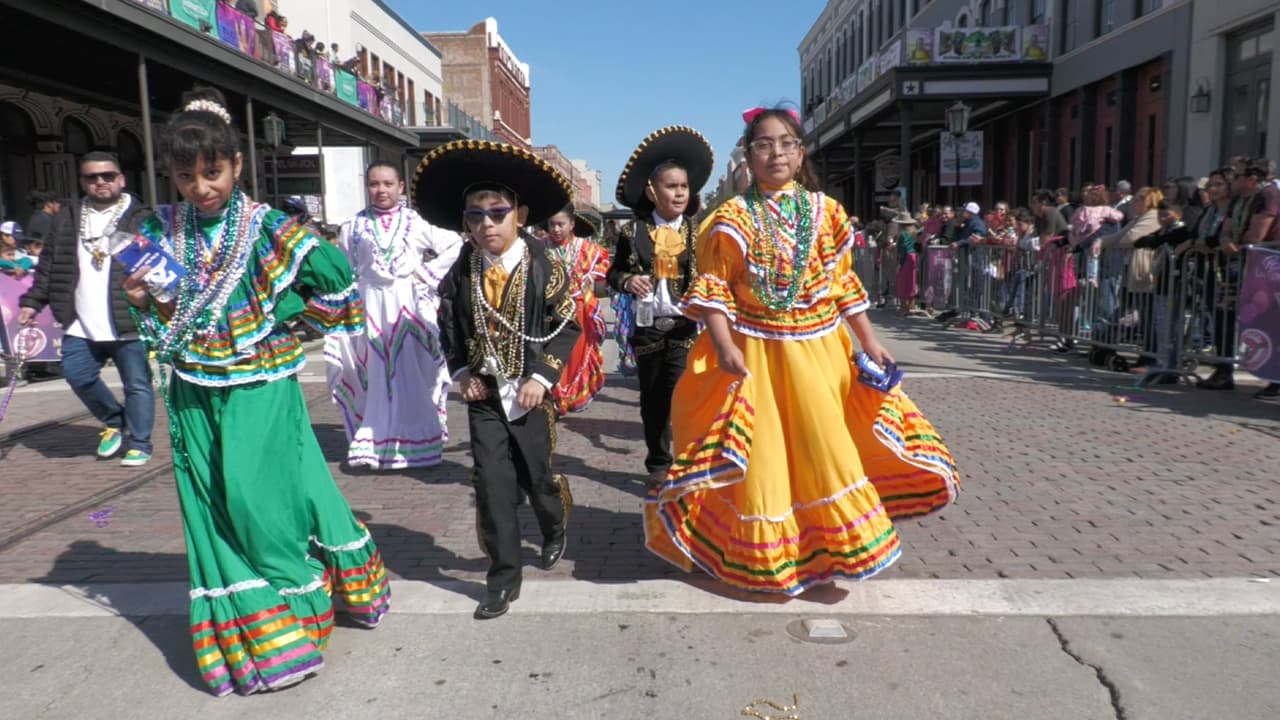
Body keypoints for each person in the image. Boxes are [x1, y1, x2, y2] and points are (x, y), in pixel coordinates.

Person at [124, 88, 389, 696]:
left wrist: (285, 314)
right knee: (215, 498)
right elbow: (160, 317)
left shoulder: (271, 229)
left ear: (237, 166)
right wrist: (143, 301)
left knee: (253, 496)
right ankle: (263, 621)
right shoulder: (160, 228)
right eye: (186, 175)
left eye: (212, 172)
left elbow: (337, 282)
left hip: (260, 381)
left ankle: (297, 608)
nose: (201, 187)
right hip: (193, 384)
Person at [644, 107, 959, 596]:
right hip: (756, 355)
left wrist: (870, 340)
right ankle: (771, 556)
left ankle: (828, 549)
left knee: (821, 446)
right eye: (764, 144)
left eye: (786, 143)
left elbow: (841, 284)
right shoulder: (727, 218)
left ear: (800, 151)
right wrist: (724, 345)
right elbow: (713, 289)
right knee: (765, 453)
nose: (776, 153)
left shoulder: (826, 212)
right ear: (748, 155)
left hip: (818, 351)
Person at [422, 139, 579, 620]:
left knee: (538, 480)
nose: (486, 224)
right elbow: (448, 323)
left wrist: (541, 377)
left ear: (520, 214)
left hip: (531, 396)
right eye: (475, 216)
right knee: (492, 486)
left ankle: (554, 526)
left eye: (497, 213)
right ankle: (503, 579)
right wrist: (463, 372)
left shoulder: (543, 266)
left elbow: (569, 326)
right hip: (486, 396)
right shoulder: (462, 269)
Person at [17, 153, 155, 464]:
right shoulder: (68, 217)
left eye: (107, 175)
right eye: (92, 177)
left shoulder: (143, 218)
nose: (100, 182)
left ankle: (141, 443)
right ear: (82, 182)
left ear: (121, 179)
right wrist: (32, 303)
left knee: (137, 384)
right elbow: (49, 265)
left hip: (126, 316)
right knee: (77, 374)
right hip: (80, 318)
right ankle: (115, 421)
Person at [325, 162, 462, 469]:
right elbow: (344, 269)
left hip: (407, 307)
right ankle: (375, 440)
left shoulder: (417, 222)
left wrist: (425, 274)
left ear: (401, 186)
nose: (381, 190)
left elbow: (454, 245)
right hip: (369, 306)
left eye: (388, 183)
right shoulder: (353, 227)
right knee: (373, 373)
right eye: (375, 184)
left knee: (413, 371)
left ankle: (416, 439)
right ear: (367, 187)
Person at [607, 126, 715, 486]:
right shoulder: (630, 232)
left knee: (685, 398)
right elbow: (614, 272)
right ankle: (658, 463)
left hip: (687, 327)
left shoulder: (699, 231)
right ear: (653, 192)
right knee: (653, 402)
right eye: (672, 186)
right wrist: (626, 281)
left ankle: (685, 463)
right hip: (648, 327)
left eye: (684, 186)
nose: (680, 192)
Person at [543, 204, 609, 414]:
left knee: (575, 355)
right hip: (549, 310)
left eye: (560, 224)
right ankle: (553, 396)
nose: (556, 229)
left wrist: (592, 276)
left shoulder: (585, 248)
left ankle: (570, 395)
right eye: (552, 224)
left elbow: (605, 263)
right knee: (550, 353)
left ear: (571, 224)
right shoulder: (540, 247)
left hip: (578, 309)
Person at [892, 210, 921, 315]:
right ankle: (911, 305)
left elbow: (902, 249)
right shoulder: (915, 232)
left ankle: (903, 307)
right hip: (914, 256)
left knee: (902, 282)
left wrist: (900, 262)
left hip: (906, 257)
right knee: (912, 282)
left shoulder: (902, 234)